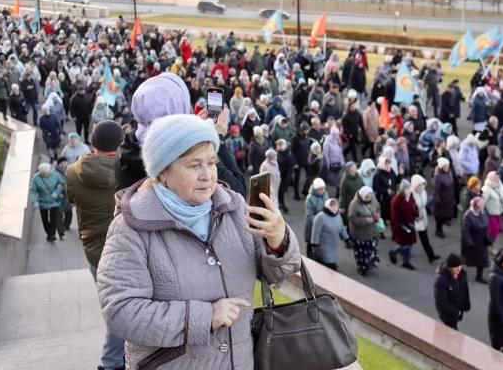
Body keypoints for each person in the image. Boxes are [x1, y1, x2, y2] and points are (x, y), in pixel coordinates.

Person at [97, 114, 300, 370]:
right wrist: (206, 317)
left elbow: (276, 275)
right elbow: (121, 312)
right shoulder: (131, 228)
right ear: (163, 171)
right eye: (194, 166)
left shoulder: (233, 207)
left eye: (212, 163)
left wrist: (278, 240)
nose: (207, 175)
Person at [66, 120, 126, 370]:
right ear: (120, 144)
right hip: (125, 249)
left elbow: (71, 197)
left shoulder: (72, 172)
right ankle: (111, 362)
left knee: (115, 307)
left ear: (92, 143)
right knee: (125, 310)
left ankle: (115, 360)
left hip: (95, 252)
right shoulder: (129, 171)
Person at [348, 186, 382, 275]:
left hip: (371, 231)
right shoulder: (354, 204)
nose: (369, 198)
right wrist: (365, 220)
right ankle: (362, 268)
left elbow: (378, 208)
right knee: (361, 252)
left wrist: (377, 215)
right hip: (360, 233)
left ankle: (370, 263)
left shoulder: (373, 199)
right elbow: (351, 218)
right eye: (367, 197)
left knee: (371, 249)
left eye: (370, 196)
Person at [311, 198, 350, 270]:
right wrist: (314, 245)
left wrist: (347, 239)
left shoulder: (337, 215)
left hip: (333, 244)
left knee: (332, 259)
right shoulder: (320, 217)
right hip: (324, 246)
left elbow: (341, 227)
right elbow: (316, 232)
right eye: (332, 206)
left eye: (336, 206)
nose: (335, 208)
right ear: (328, 206)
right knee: (327, 262)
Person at [433, 253, 470, 330]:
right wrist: (456, 312)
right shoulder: (440, 280)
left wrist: (466, 304)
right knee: (451, 332)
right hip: (448, 315)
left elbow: (465, 289)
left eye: (460, 267)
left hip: (457, 310)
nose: (458, 270)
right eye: (456, 268)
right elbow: (441, 302)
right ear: (449, 268)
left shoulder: (462, 274)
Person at [30, 162, 65, 242]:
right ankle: (49, 234)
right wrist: (34, 201)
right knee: (45, 220)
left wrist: (57, 192)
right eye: (43, 173)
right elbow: (33, 191)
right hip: (43, 201)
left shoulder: (55, 175)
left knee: (54, 218)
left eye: (46, 172)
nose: (45, 174)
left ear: (49, 171)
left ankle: (52, 234)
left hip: (54, 201)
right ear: (40, 172)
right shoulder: (36, 178)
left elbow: (61, 184)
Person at [389, 180, 417, 270]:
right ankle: (394, 252)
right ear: (403, 189)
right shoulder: (396, 201)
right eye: (407, 188)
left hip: (410, 224)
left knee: (410, 243)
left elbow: (413, 208)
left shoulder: (411, 197)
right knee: (405, 243)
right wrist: (396, 228)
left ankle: (406, 261)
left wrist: (416, 215)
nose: (409, 190)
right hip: (402, 226)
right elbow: (394, 216)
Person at [461, 197, 490, 283]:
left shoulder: (483, 212)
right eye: (482, 204)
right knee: (467, 258)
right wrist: (469, 242)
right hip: (474, 240)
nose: (484, 206)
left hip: (482, 239)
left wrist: (487, 236)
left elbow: (486, 225)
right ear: (477, 205)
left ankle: (479, 276)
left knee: (483, 259)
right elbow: (465, 231)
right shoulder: (468, 216)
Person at [412, 175, 440, 263]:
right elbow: (410, 208)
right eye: (420, 184)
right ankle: (402, 250)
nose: (422, 186)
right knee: (411, 236)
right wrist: (415, 216)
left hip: (422, 216)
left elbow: (424, 203)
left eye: (423, 184)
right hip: (415, 218)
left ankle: (430, 255)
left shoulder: (423, 192)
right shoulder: (412, 194)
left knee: (424, 237)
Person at [304, 178, 329, 257]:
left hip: (323, 223)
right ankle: (309, 256)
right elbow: (309, 215)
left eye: (323, 188)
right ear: (315, 189)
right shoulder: (310, 198)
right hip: (313, 225)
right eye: (320, 189)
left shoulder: (325, 194)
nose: (322, 190)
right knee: (311, 242)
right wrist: (319, 221)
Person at [482, 171, 503, 244]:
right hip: (491, 213)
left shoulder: (500, 185)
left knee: (498, 229)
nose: (497, 179)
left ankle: (489, 242)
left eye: (498, 178)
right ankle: (488, 243)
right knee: (494, 229)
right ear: (491, 178)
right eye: (495, 178)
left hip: (499, 212)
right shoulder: (486, 188)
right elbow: (482, 201)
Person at [434, 158, 455, 239]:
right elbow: (436, 189)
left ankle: (440, 227)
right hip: (442, 200)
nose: (447, 167)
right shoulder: (438, 176)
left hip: (449, 199)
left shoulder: (449, 173)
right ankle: (438, 230)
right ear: (442, 167)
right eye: (446, 166)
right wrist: (437, 200)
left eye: (448, 165)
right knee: (440, 216)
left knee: (447, 215)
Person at [54, 157, 72, 238]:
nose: (64, 165)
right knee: (59, 213)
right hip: (59, 195)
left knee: (68, 211)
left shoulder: (70, 170)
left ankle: (67, 225)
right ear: (58, 164)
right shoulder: (55, 173)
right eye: (62, 163)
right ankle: (61, 231)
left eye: (65, 163)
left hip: (68, 195)